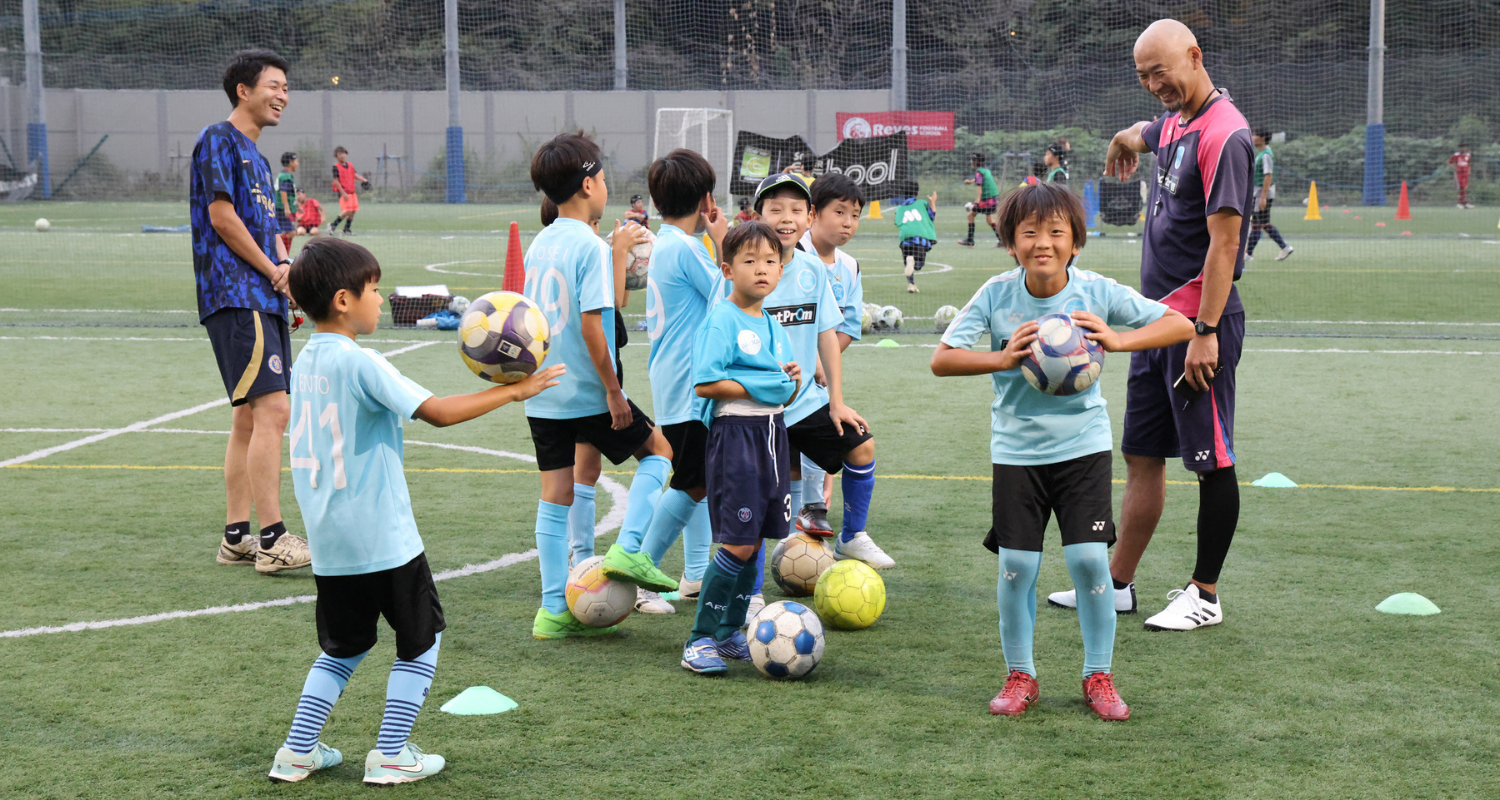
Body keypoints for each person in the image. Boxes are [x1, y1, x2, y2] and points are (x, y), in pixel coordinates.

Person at [268, 237, 564, 785]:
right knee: (421, 641)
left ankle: (296, 751)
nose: (380, 300)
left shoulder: (306, 361)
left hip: (330, 542)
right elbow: (436, 413)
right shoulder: (361, 362)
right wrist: (514, 393)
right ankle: (391, 754)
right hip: (383, 537)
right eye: (374, 290)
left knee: (342, 647)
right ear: (342, 300)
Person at [931, 182, 1194, 720]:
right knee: (1017, 567)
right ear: (1010, 242)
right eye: (1029, 232)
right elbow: (942, 358)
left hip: (1083, 447)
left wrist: (1119, 341)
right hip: (1017, 451)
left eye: (1056, 232)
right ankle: (1020, 674)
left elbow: (1180, 323)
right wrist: (1003, 360)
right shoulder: (997, 294)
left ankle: (1098, 674)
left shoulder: (1095, 292)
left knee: (1088, 560)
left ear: (1076, 241)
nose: (1042, 242)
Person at [1047, 18, 1253, 632]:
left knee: (1211, 460)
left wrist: (1205, 331)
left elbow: (1225, 245)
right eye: (1142, 76)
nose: (1152, 84)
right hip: (1155, 322)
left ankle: (1205, 594)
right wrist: (1120, 138)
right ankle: (1116, 584)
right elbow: (1144, 132)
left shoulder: (1225, 134)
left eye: (1159, 71)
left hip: (1196, 326)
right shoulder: (1178, 124)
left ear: (1194, 56)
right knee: (1141, 455)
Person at [523, 131, 680, 640]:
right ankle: (631, 548)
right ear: (589, 185)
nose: (607, 186)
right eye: (606, 179)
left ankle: (552, 612)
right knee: (660, 452)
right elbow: (595, 324)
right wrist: (613, 391)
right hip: (587, 390)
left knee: (555, 495)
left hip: (543, 389)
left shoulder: (540, 243)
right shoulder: (589, 247)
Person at [723, 173, 890, 618]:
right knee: (758, 505)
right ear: (757, 215)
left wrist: (836, 399)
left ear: (809, 217)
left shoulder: (814, 270)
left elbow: (827, 337)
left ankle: (852, 535)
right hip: (757, 410)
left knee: (861, 442)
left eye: (796, 210)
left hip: (805, 404)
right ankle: (752, 593)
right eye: (775, 209)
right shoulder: (744, 269)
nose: (786, 218)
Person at [191, 49, 310, 575]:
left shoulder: (259, 160)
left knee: (248, 416)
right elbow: (222, 218)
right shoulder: (219, 138)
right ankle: (273, 539)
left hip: (262, 294)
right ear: (244, 90)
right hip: (237, 294)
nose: (283, 95)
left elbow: (267, 232)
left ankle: (236, 536)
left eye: (287, 87)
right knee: (274, 412)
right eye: (274, 85)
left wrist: (287, 275)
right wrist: (271, 269)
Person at [679, 221, 801, 675]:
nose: (762, 269)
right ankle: (699, 639)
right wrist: (764, 382)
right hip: (737, 440)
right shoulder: (722, 318)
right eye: (750, 261)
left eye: (770, 260)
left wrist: (790, 383)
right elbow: (706, 382)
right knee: (736, 544)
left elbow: (782, 390)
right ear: (728, 269)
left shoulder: (770, 322)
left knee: (756, 542)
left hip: (774, 436)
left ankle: (732, 630)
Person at [632, 148, 728, 615]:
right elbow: (734, 289)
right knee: (692, 479)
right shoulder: (687, 248)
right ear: (707, 198)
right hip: (688, 383)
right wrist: (726, 238)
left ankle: (692, 575)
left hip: (674, 376)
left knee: (698, 478)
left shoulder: (666, 242)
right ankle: (638, 572)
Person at [794, 172, 866, 533]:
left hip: (823, 370)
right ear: (814, 213)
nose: (848, 223)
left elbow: (849, 324)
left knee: (822, 438)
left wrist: (824, 360)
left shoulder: (850, 266)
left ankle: (813, 510)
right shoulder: (791, 254)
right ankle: (802, 508)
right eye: (839, 212)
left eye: (854, 215)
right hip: (786, 371)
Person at [1245, 130, 1293, 262]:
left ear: (1261, 138)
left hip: (1262, 194)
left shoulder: (1266, 155)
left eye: (1254, 135)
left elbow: (1268, 175)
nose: (1252, 137)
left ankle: (1248, 254)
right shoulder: (1261, 154)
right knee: (1263, 223)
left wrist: (1263, 197)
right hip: (1260, 193)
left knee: (1256, 224)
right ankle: (1284, 247)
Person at [889, 190, 939, 293]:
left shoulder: (900, 208)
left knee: (908, 262)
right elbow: (932, 216)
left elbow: (897, 222)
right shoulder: (922, 203)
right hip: (920, 238)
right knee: (918, 266)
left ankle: (911, 285)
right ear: (917, 192)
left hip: (906, 239)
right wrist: (933, 201)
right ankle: (912, 261)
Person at [960, 152, 1001, 247]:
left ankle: (970, 241)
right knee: (989, 219)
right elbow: (980, 179)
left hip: (985, 200)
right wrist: (970, 181)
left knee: (970, 216)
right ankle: (1002, 240)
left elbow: (980, 186)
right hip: (992, 199)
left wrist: (978, 199)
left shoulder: (979, 172)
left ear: (977, 161)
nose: (971, 161)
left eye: (972, 160)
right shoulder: (986, 170)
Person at [327, 146, 368, 236]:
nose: (342, 156)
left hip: (352, 192)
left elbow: (354, 174)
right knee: (347, 210)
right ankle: (333, 225)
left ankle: (346, 229)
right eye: (339, 154)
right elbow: (336, 181)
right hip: (344, 192)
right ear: (336, 156)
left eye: (343, 154)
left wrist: (364, 180)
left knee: (353, 211)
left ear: (346, 154)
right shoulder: (336, 167)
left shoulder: (350, 165)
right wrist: (343, 193)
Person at [276, 151, 300, 253]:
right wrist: (286, 207)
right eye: (297, 161)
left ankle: (285, 256)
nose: (298, 163)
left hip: (284, 208)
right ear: (291, 162)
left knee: (290, 234)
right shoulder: (285, 176)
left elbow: (289, 194)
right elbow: (283, 192)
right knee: (292, 232)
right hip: (281, 209)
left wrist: (297, 205)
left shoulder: (285, 174)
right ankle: (275, 243)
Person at [1448, 144, 1473, 209]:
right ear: (1459, 148)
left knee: (1465, 188)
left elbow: (1469, 163)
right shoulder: (1456, 155)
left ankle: (1465, 203)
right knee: (1461, 188)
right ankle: (1459, 203)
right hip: (1459, 174)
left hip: (1466, 174)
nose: (1463, 149)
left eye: (1464, 147)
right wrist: (1454, 168)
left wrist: (1469, 171)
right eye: (1462, 147)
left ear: (1466, 148)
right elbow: (1449, 162)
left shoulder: (1468, 155)